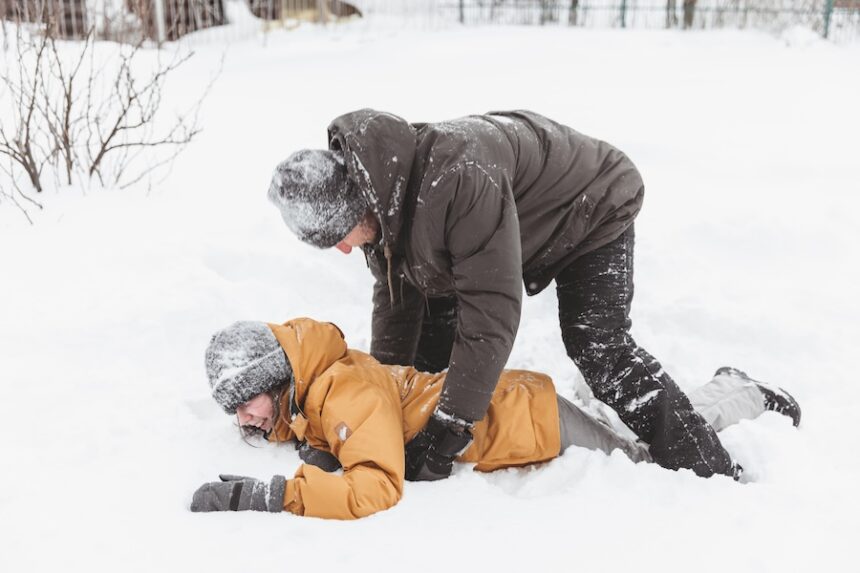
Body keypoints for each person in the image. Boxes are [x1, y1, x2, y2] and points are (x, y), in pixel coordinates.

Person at [267, 109, 760, 481]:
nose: (344, 251)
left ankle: (711, 464)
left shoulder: (455, 179)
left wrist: (453, 424)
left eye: (339, 237)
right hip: (509, 228)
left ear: (355, 207)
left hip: (590, 208)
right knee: (430, 374)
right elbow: (398, 303)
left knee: (598, 348)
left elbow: (492, 312)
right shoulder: (384, 198)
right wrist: (377, 394)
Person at [190, 318, 801, 519]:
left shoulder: (344, 393)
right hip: (517, 403)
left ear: (278, 380)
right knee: (654, 430)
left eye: (248, 401)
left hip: (533, 422)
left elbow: (376, 485)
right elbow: (314, 426)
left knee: (655, 454)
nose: (245, 417)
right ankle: (725, 386)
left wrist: (275, 496)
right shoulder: (315, 380)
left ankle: (741, 391)